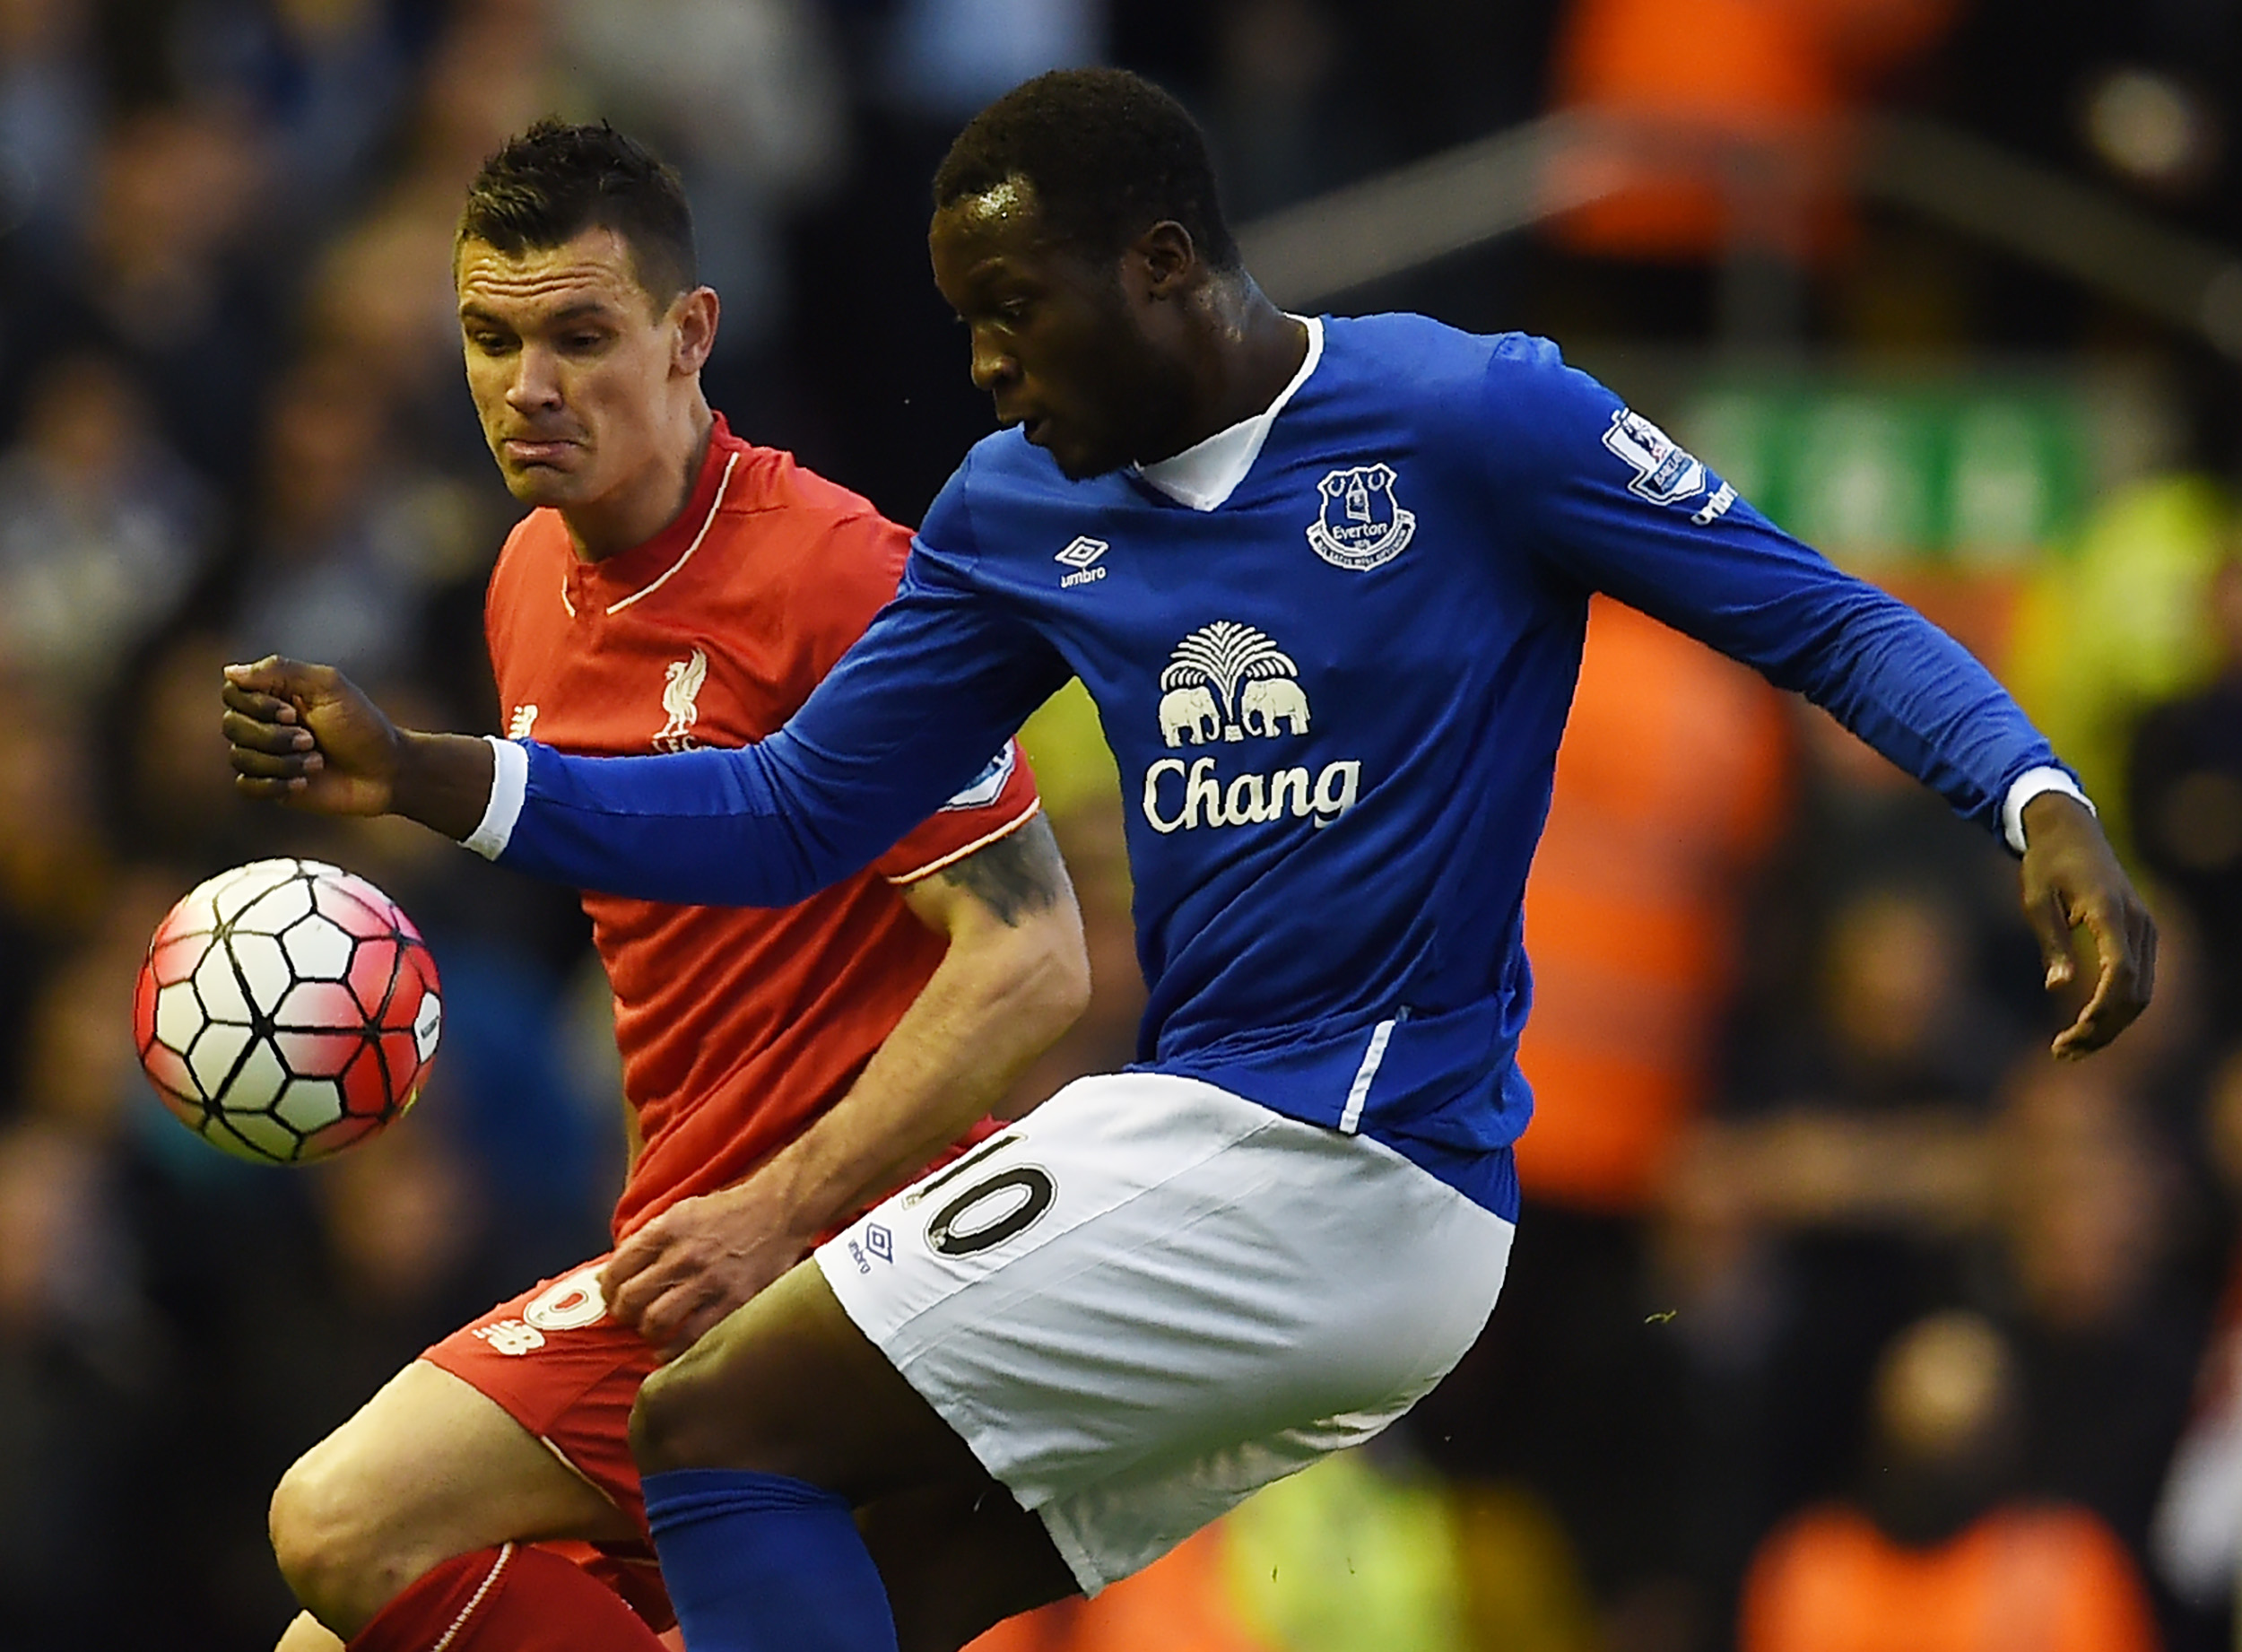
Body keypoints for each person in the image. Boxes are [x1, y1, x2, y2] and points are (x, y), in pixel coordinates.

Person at [223, 69, 2157, 1652]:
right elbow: (799, 806)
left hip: (1355, 1156)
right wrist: (441, 776)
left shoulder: (1470, 415)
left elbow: (1812, 617)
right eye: (961, 326)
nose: (979, 372)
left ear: (1161, 269)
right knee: (864, 1582)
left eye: (1011, 314)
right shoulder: (1011, 508)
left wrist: (2031, 797)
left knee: (720, 1420)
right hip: (1219, 1156)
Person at [249, 120, 1091, 1652]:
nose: (530, 385)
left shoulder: (841, 574)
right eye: (490, 340)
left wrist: (773, 1211)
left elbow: (1033, 956)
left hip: (852, 1257)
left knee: (338, 1519)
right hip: (686, 1246)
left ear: (691, 334)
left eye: (580, 335)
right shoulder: (522, 583)